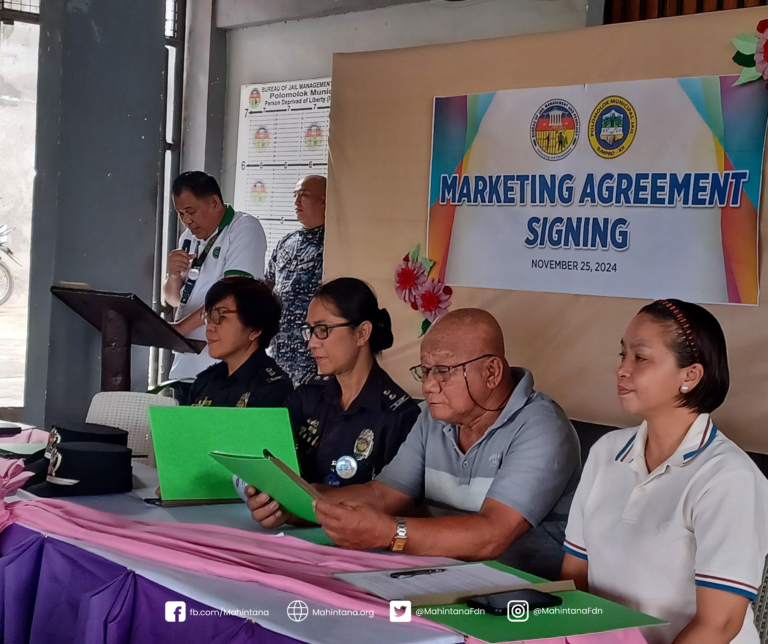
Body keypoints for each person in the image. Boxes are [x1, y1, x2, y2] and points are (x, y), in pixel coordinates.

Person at [244, 308, 581, 580]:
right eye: (425, 371)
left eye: (443, 370)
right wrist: (296, 506)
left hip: (517, 596)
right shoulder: (432, 418)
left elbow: (491, 534)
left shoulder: (541, 426)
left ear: (492, 372)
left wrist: (390, 534)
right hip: (437, 575)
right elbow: (383, 495)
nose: (430, 385)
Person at [561, 299, 768, 644]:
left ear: (690, 375)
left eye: (640, 358)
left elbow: (719, 624)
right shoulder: (606, 453)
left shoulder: (729, 478)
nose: (622, 369)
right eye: (622, 355)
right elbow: (574, 576)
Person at [234, 277, 419, 498]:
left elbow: (394, 501)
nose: (312, 342)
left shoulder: (397, 415)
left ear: (362, 333)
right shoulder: (306, 397)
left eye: (323, 329)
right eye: (311, 330)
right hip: (291, 523)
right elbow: (265, 456)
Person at [164, 171, 267, 384]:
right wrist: (173, 274)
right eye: (181, 214)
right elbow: (174, 299)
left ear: (214, 202)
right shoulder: (188, 238)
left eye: (191, 211)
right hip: (185, 361)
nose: (187, 221)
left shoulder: (243, 228)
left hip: (219, 364)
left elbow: (233, 295)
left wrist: (181, 328)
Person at [185, 276, 293, 408]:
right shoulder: (204, 382)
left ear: (255, 329)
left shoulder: (272, 388)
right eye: (209, 318)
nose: (210, 327)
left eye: (221, 316)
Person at [266, 175, 326, 383]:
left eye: (305, 195)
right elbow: (269, 284)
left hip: (312, 353)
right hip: (279, 350)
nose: (297, 202)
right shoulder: (286, 242)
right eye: (295, 195)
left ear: (324, 201)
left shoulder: (333, 244)